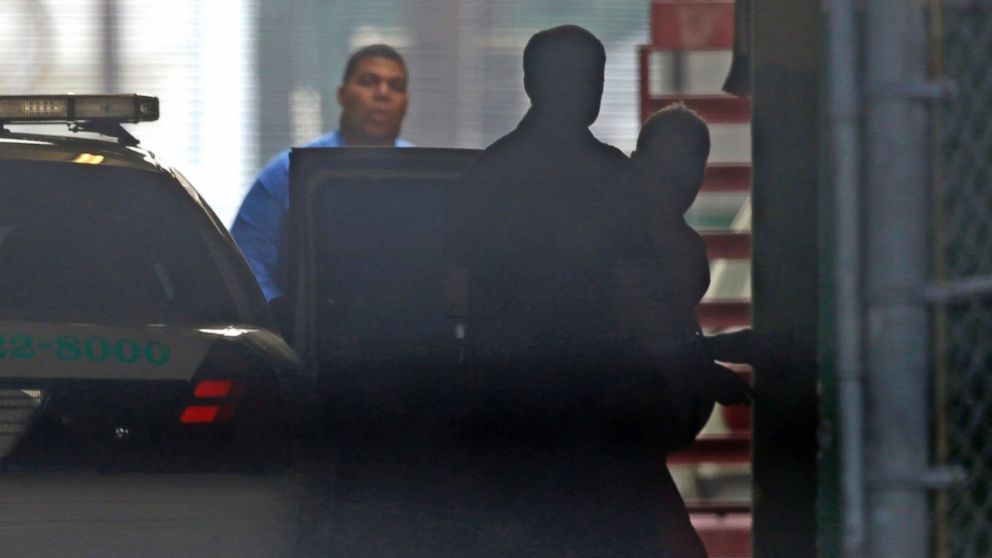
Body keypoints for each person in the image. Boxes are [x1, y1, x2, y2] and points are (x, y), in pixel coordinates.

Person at [442, 25, 716, 557]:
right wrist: (690, 373)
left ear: (529, 83)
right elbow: (640, 298)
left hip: (505, 418)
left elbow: (453, 298)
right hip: (600, 422)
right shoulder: (612, 182)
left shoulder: (482, 178)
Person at [231, 43, 412, 309]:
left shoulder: (424, 176)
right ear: (342, 94)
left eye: (395, 86)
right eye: (368, 81)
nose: (383, 93)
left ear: (406, 101)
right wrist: (283, 322)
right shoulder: (288, 172)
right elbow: (247, 267)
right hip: (307, 335)